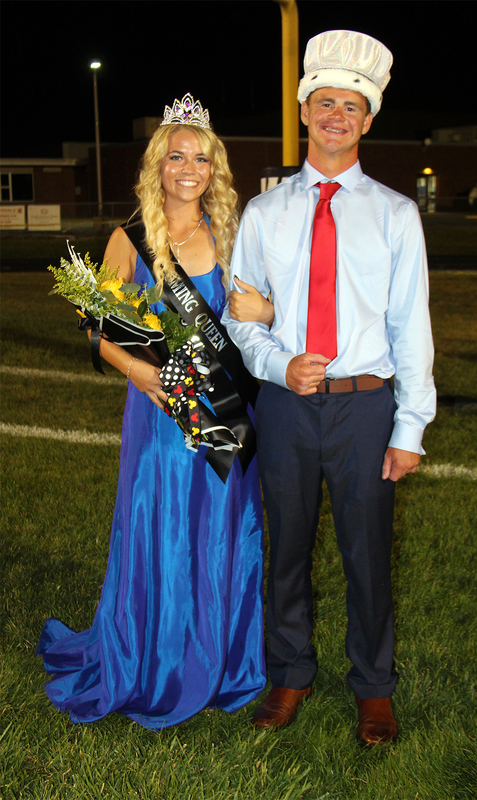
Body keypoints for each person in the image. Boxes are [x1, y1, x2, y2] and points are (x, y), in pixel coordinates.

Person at [223, 31, 436, 744]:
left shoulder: (397, 214)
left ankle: (373, 687)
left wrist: (409, 428)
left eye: (352, 105)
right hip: (286, 405)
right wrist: (279, 365)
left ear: (367, 120)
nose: (337, 114)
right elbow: (242, 317)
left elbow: (411, 328)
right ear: (305, 110)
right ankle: (290, 672)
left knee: (367, 552)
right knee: (285, 546)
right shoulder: (266, 213)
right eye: (325, 102)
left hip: (366, 406)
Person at [37, 94, 273, 730]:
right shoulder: (130, 236)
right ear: (157, 166)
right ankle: (153, 660)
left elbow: (265, 315)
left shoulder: (232, 233)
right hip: (158, 411)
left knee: (223, 530)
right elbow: (100, 329)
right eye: (176, 155)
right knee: (161, 528)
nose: (188, 167)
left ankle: (221, 662)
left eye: (200, 156)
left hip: (223, 409)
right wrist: (143, 372)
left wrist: (269, 315)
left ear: (214, 167)